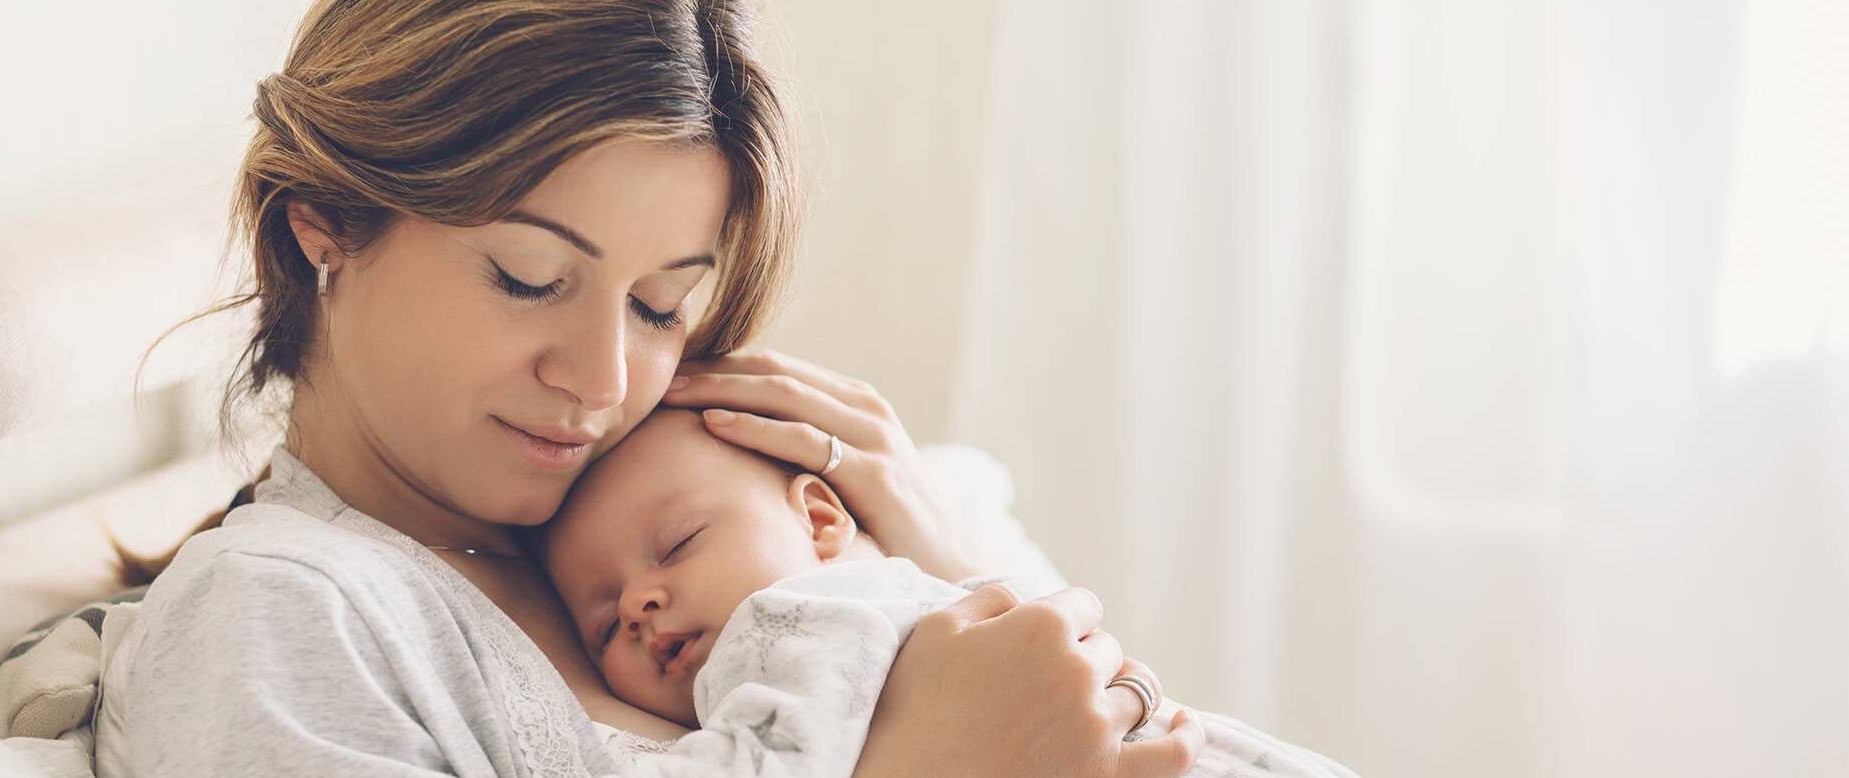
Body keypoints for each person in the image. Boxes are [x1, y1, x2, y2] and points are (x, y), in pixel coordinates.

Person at [95, 1, 1211, 776]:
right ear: (325, 224)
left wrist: (941, 571)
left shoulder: (668, 516)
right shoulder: (280, 609)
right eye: (531, 278)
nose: (603, 380)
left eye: (661, 305)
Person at [541, 409, 1358, 777]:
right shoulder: (914, 596)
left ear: (822, 521)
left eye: (679, 545)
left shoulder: (794, 623)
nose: (641, 604)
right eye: (603, 621)